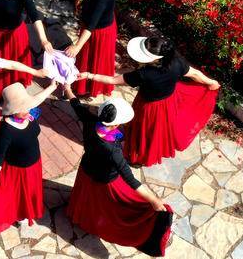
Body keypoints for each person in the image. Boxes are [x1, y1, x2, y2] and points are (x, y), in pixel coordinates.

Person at [63, 83, 173, 257]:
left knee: (86, 199)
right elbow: (130, 179)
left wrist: (68, 89)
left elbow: (76, 105)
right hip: (104, 180)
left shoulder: (91, 120)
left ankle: (80, 216)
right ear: (115, 126)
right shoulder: (113, 151)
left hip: (86, 169)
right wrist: (153, 200)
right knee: (107, 206)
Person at [79, 36, 219, 166]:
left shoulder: (144, 74)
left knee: (142, 131)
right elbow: (195, 74)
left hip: (148, 107)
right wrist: (211, 82)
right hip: (168, 102)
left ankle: (137, 157)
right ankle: (145, 154)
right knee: (154, 131)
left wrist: (89, 75)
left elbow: (113, 80)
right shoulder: (176, 62)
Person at [0, 81, 58, 237]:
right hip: (19, 171)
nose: (27, 110)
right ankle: (20, 215)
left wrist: (52, 86)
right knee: (18, 196)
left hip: (34, 165)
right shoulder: (6, 131)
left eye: (27, 105)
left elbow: (38, 98)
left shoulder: (29, 114)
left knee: (30, 192)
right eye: (22, 108)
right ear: (12, 111)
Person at [64, 0, 117, 99]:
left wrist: (77, 46)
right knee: (88, 57)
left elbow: (91, 26)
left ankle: (87, 88)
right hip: (96, 25)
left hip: (99, 32)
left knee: (93, 60)